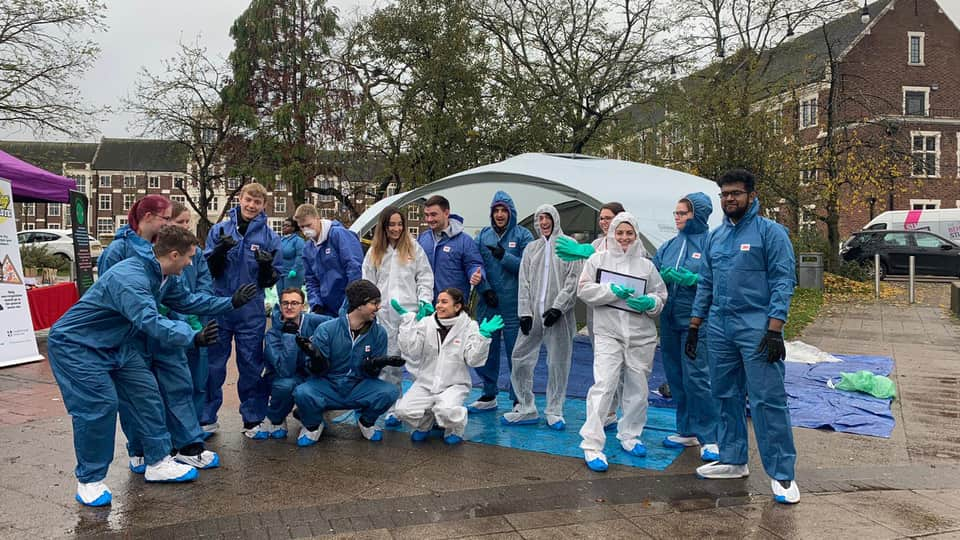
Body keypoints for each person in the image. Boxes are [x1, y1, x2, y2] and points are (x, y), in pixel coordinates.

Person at [47, 225, 258, 506]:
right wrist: (192, 337)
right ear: (174, 255)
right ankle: (90, 480)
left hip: (117, 344)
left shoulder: (162, 275)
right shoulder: (130, 278)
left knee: (147, 395)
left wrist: (229, 302)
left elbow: (187, 300)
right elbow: (151, 321)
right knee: (99, 407)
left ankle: (158, 462)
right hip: (78, 346)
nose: (192, 262)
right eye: (190, 257)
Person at [687, 168, 799, 504]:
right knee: (724, 393)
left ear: (751, 195)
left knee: (767, 399)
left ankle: (782, 474)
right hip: (720, 326)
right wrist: (695, 325)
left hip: (757, 326)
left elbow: (783, 279)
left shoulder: (771, 233)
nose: (729, 199)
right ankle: (734, 458)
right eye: (724, 194)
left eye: (735, 193)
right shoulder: (716, 237)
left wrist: (775, 328)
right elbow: (705, 283)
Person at [576, 212, 668, 472]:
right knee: (604, 384)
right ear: (611, 233)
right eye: (619, 232)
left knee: (638, 387)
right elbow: (583, 290)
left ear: (636, 235)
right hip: (609, 332)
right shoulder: (598, 260)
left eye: (629, 233)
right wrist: (608, 291)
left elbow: (660, 294)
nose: (624, 238)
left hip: (641, 335)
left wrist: (651, 303)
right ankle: (592, 444)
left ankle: (630, 434)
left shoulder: (646, 265)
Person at [202, 182, 283, 439]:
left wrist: (266, 268)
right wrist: (221, 250)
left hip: (250, 312)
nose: (251, 206)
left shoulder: (270, 238)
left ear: (263, 206)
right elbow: (208, 271)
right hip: (220, 306)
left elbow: (271, 280)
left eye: (257, 202)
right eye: (248, 200)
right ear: (240, 198)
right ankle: (206, 418)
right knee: (213, 365)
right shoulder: (220, 230)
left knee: (250, 365)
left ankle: (252, 419)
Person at [291, 280, 405, 446]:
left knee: (390, 392)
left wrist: (377, 363)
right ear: (359, 304)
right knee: (302, 393)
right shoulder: (327, 329)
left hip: (357, 386)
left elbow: (371, 375)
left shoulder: (379, 333)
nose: (378, 307)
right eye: (374, 303)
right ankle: (313, 425)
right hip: (328, 385)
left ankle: (366, 421)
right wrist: (316, 356)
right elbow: (315, 372)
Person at [652, 194, 720, 461]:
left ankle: (711, 436)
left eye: (683, 213)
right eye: (676, 213)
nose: (677, 217)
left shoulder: (711, 244)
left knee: (697, 378)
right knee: (676, 376)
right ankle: (687, 429)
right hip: (669, 321)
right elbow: (651, 272)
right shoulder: (669, 246)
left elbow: (720, 278)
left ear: (698, 214)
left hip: (697, 323)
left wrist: (695, 279)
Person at [502, 204, 582, 429]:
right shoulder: (532, 249)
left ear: (556, 219)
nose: (543, 223)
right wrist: (524, 312)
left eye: (547, 218)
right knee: (519, 357)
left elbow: (573, 279)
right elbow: (524, 281)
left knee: (558, 362)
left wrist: (559, 307)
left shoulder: (569, 246)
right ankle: (526, 407)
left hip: (559, 316)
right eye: (540, 219)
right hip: (533, 315)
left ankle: (554, 410)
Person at [393, 288, 502, 444]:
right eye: (438, 301)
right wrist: (408, 324)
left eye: (444, 302)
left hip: (454, 384)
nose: (438, 305)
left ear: (457, 306)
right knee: (402, 411)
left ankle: (455, 427)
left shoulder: (469, 326)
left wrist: (483, 337)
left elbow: (473, 360)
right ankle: (426, 422)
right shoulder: (427, 323)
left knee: (446, 410)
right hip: (426, 383)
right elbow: (412, 351)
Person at [555, 201, 626, 429]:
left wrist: (595, 255)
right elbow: (585, 282)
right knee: (603, 365)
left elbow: (629, 275)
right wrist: (590, 253)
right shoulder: (596, 243)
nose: (604, 223)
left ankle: (626, 415)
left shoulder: (630, 243)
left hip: (623, 315)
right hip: (598, 313)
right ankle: (607, 411)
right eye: (602, 218)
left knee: (623, 367)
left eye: (609, 218)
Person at [362, 206, 434, 426]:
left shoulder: (413, 248)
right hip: (384, 317)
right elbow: (367, 282)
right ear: (383, 226)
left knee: (417, 364)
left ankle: (425, 409)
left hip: (410, 316)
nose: (396, 228)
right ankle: (393, 407)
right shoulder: (375, 252)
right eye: (391, 224)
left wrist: (424, 301)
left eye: (399, 224)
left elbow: (424, 277)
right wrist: (370, 309)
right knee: (390, 365)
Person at [469, 191, 534, 413]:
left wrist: (503, 256)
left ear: (511, 213)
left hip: (514, 305)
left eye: (503, 210)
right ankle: (488, 395)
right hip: (489, 304)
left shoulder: (524, 236)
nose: (499, 214)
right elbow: (475, 265)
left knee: (517, 353)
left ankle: (519, 399)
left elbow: (528, 269)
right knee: (487, 350)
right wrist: (484, 289)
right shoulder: (482, 236)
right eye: (496, 210)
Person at [261, 288, 331, 439]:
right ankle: (276, 418)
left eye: (294, 303)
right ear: (280, 305)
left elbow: (339, 326)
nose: (289, 307)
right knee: (286, 385)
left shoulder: (316, 322)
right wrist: (289, 337)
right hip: (286, 376)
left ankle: (311, 417)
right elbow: (285, 370)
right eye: (285, 303)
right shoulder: (273, 334)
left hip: (312, 374)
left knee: (328, 382)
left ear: (303, 306)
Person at [294, 203, 364, 316]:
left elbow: (354, 268)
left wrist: (351, 302)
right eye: (302, 227)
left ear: (317, 219)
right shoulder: (308, 248)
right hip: (326, 308)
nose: (306, 230)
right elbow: (310, 280)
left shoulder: (339, 235)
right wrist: (316, 304)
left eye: (308, 225)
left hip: (348, 304)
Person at [417, 195, 484, 300]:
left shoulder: (464, 241)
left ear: (446, 213)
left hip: (453, 307)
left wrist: (475, 274)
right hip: (427, 305)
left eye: (434, 215)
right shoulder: (422, 239)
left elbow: (473, 264)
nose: (429, 219)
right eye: (426, 215)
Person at [275, 217, 306, 293]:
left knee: (290, 297)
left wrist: (294, 270)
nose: (284, 227)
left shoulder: (298, 240)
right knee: (281, 297)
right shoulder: (281, 240)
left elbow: (300, 256)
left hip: (292, 273)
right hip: (281, 272)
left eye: (287, 225)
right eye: (283, 225)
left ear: (293, 228)